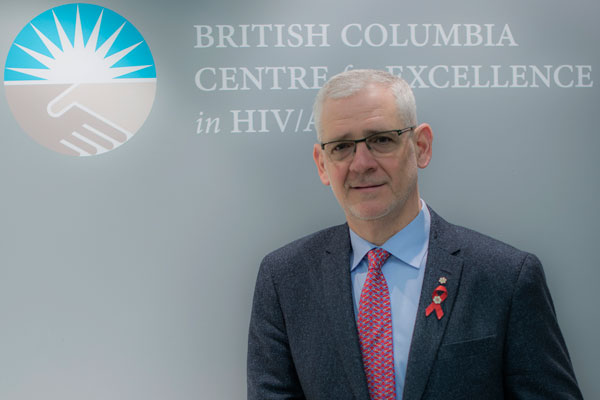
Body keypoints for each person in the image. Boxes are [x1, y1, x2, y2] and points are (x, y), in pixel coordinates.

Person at [247, 69, 582, 400]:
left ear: (421, 146)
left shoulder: (505, 277)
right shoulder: (285, 280)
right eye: (342, 146)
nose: (361, 163)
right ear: (322, 163)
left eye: (381, 140)